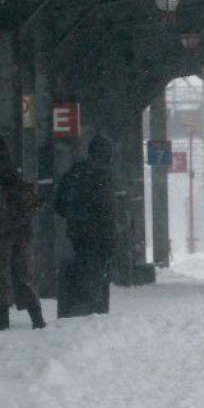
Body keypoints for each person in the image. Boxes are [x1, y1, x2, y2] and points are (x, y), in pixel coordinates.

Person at [55, 135, 116, 317]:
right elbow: (107, 209)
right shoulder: (104, 173)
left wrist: (78, 218)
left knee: (83, 265)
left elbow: (59, 205)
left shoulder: (75, 171)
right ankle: (93, 308)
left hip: (77, 232)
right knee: (98, 271)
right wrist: (112, 236)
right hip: (100, 233)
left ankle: (80, 305)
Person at [0, 137, 46, 330]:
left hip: (5, 229)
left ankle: (2, 319)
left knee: (2, 274)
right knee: (23, 273)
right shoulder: (11, 174)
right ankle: (36, 317)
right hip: (19, 228)